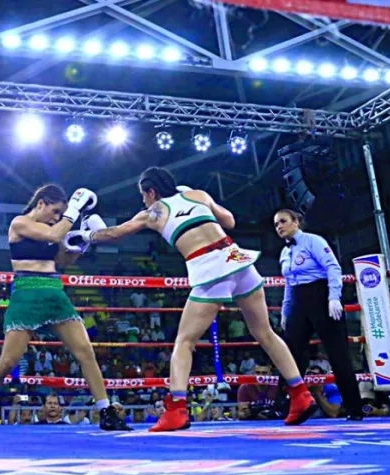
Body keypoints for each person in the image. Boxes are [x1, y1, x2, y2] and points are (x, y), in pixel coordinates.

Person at [71, 167, 316, 431]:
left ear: (151, 192)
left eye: (143, 195)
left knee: (185, 341)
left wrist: (86, 235)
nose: (143, 200)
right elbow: (230, 221)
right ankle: (300, 393)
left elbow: (114, 233)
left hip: (212, 268)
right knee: (265, 333)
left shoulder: (153, 212)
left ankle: (176, 409)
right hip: (238, 260)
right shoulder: (197, 194)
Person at [0, 184, 129, 432]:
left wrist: (83, 242)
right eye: (55, 211)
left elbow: (63, 259)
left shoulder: (54, 230)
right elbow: (52, 235)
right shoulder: (20, 223)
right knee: (8, 361)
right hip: (27, 292)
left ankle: (106, 412)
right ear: (41, 203)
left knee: (85, 351)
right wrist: (73, 210)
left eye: (60, 214)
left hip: (54, 291)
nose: (56, 218)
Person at [274, 208, 364, 420]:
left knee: (338, 353)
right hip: (298, 302)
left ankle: (354, 409)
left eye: (283, 221)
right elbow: (289, 283)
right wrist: (286, 311)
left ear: (296, 222)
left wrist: (334, 297)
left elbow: (333, 267)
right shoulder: (284, 252)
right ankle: (287, 407)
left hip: (321, 296)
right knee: (291, 354)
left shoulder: (314, 241)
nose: (279, 226)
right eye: (276, 224)